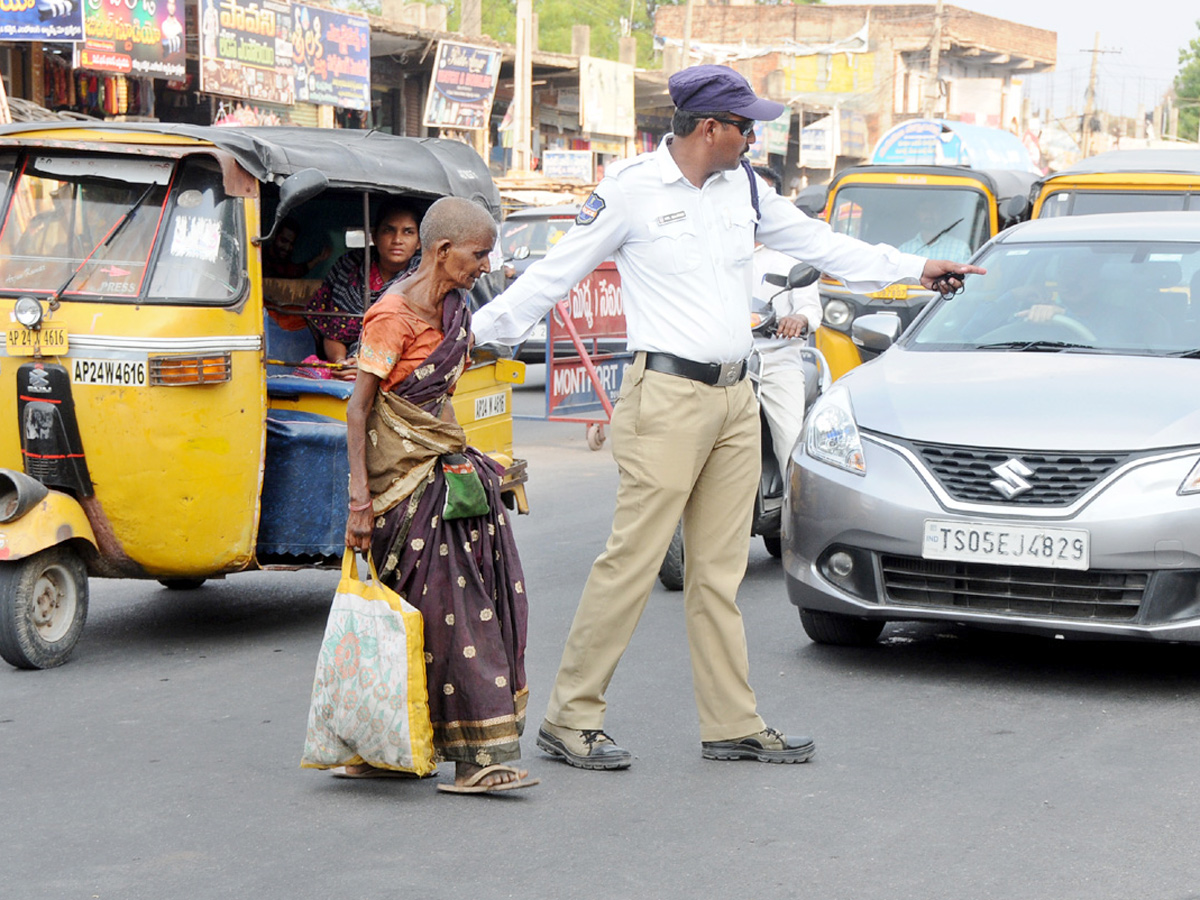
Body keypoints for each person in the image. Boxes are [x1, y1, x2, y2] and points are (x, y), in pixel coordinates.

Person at [471, 64, 983, 770]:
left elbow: (822, 245)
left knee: (719, 573)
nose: (754, 137)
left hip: (737, 397)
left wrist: (913, 269)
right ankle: (570, 717)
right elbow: (554, 275)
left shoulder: (744, 187)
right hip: (666, 400)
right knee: (632, 561)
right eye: (746, 126)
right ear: (709, 128)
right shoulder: (630, 193)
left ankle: (730, 723)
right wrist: (469, 336)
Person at [341, 196, 537, 794]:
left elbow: (439, 404)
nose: (484, 265)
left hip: (445, 476)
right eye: (478, 254)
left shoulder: (456, 310)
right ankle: (475, 761)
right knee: (448, 619)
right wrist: (359, 500)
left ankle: (386, 747)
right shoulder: (390, 316)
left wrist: (469, 455)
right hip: (397, 490)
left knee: (461, 607)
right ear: (443, 250)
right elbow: (360, 408)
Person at [751, 164, 823, 473]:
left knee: (792, 443)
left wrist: (799, 320)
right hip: (729, 363)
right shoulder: (716, 248)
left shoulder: (792, 252)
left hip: (778, 361)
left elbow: (811, 309)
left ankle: (793, 511)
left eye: (762, 197)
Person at [308, 200, 421, 375]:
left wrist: (365, 365)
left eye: (408, 232)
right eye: (388, 230)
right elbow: (333, 331)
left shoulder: (422, 278)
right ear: (375, 237)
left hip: (397, 371)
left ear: (419, 242)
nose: (397, 240)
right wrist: (342, 363)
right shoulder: (349, 266)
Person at [898, 196, 973, 262]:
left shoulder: (960, 249)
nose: (929, 214)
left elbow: (967, 277)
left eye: (934, 209)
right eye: (924, 210)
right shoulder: (904, 250)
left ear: (941, 213)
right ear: (917, 214)